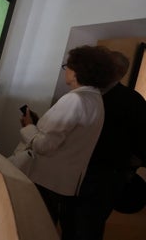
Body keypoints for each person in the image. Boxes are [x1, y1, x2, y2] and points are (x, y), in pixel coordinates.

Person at [15, 45, 115, 238]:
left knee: (31, 230)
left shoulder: (74, 100)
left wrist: (28, 126)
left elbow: (45, 145)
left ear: (78, 71)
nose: (65, 70)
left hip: (44, 178)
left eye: (67, 66)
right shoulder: (96, 100)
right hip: (63, 182)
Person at [64, 50, 146, 240]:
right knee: (69, 222)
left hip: (103, 177)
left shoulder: (133, 101)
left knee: (87, 228)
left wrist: (124, 166)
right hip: (75, 172)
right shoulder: (87, 93)